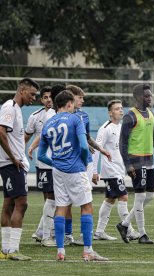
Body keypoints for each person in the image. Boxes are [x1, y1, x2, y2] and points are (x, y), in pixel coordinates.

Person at [38, 90, 108, 261]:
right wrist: (84, 163)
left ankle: (61, 251)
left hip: (58, 171)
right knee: (86, 206)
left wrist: (56, 163)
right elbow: (84, 147)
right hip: (76, 169)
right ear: (69, 103)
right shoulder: (75, 119)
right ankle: (88, 251)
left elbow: (41, 156)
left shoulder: (48, 124)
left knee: (61, 207)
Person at [116, 83, 154, 244]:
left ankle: (124, 224)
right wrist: (127, 164)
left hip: (149, 160)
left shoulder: (151, 114)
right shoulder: (130, 116)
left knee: (150, 195)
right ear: (138, 97)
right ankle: (143, 234)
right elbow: (122, 143)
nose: (150, 98)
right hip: (136, 161)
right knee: (140, 196)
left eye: (150, 95)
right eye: (147, 96)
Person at [64, 85, 111, 246]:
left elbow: (87, 137)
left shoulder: (83, 115)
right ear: (71, 98)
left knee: (86, 198)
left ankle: (85, 235)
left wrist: (100, 149)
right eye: (80, 97)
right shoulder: (62, 116)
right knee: (67, 200)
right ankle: (67, 234)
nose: (83, 101)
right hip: (70, 161)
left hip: (86, 162)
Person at [0, 78, 38, 261]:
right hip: (11, 164)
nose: (33, 98)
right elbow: (0, 132)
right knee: (22, 203)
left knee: (9, 204)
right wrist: (14, 158)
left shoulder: (16, 109)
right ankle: (13, 250)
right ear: (22, 90)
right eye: (32, 94)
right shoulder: (10, 107)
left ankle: (5, 250)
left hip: (10, 163)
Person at [92, 100, 138, 241]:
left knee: (110, 199)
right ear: (110, 112)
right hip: (111, 171)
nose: (121, 111)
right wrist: (94, 171)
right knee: (123, 197)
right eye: (117, 109)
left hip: (119, 170)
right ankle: (128, 230)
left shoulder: (121, 128)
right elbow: (96, 149)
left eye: (121, 108)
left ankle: (99, 231)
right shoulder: (106, 128)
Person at [25, 86, 57, 247]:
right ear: (41, 100)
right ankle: (46, 234)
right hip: (44, 163)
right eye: (45, 97)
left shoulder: (59, 114)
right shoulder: (34, 116)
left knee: (54, 199)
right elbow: (28, 136)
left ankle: (42, 232)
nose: (48, 100)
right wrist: (25, 150)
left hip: (58, 162)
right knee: (49, 198)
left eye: (51, 97)